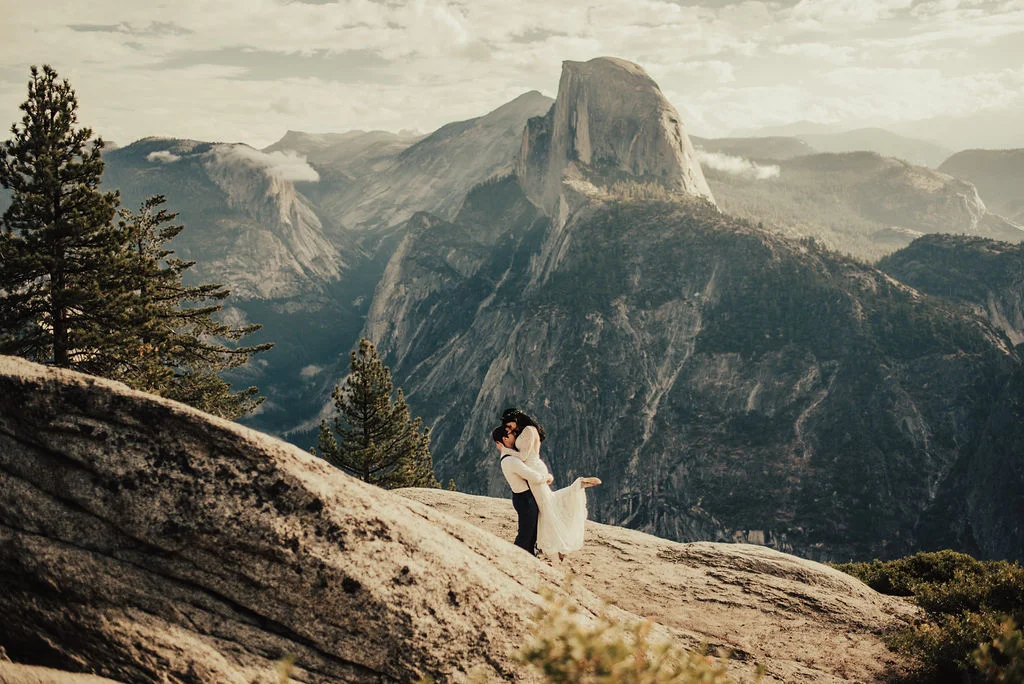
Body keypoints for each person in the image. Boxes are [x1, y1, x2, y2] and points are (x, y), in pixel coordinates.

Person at [499, 408, 601, 560]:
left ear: (516, 419)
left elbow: (523, 455)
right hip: (533, 468)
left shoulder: (527, 430)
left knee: (547, 506)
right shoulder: (527, 430)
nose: (510, 429)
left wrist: (504, 451)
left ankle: (577, 486)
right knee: (547, 504)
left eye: (510, 425)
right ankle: (551, 547)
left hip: (533, 469)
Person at [493, 425, 552, 555]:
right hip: (526, 500)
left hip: (523, 498)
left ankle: (529, 558)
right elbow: (533, 476)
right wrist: (547, 477)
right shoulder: (511, 460)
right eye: (512, 433)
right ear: (505, 439)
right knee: (526, 535)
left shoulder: (510, 457)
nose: (515, 434)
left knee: (530, 534)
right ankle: (515, 559)